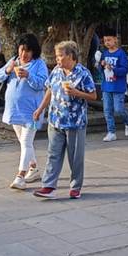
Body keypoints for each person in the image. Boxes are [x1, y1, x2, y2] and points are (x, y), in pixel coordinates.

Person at [33, 40, 97, 200]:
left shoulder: (83, 73)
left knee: (75, 156)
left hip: (75, 122)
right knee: (53, 154)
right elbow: (49, 90)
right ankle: (48, 186)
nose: (58, 59)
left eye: (60, 56)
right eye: (57, 56)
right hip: (55, 120)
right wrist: (41, 109)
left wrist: (76, 92)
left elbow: (93, 95)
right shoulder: (56, 71)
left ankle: (75, 186)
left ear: (70, 56)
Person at [0, 34, 48, 189]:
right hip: (14, 109)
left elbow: (43, 84)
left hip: (32, 110)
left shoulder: (39, 64)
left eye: (28, 51)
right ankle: (33, 168)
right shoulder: (13, 61)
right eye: (21, 49)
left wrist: (28, 75)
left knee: (26, 142)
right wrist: (8, 69)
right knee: (24, 142)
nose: (24, 54)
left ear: (34, 52)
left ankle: (20, 176)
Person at [97, 24, 128, 142]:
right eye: (105, 40)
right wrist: (100, 65)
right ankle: (111, 132)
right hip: (106, 86)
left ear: (115, 40)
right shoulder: (104, 53)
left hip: (118, 86)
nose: (107, 42)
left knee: (119, 109)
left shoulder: (121, 54)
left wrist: (113, 69)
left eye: (109, 40)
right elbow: (100, 70)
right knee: (107, 110)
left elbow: (125, 69)